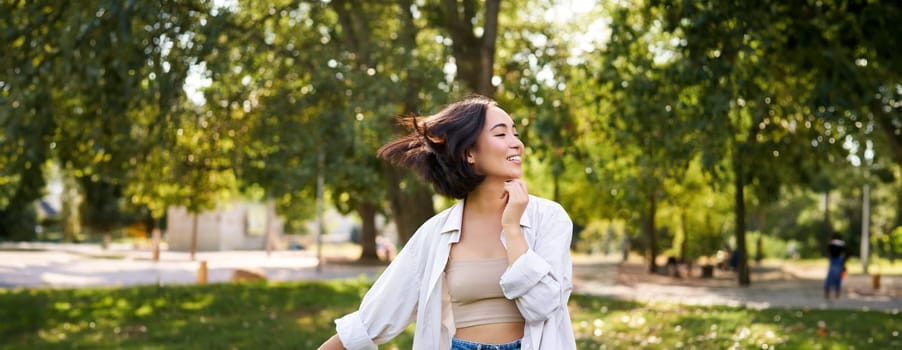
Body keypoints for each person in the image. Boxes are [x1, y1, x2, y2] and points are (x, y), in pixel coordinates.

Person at [317, 95, 576, 350]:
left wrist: (512, 229)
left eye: (516, 134)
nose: (516, 144)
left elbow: (543, 306)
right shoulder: (435, 234)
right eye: (501, 134)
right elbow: (376, 316)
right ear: (469, 153)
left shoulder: (550, 219)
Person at [824, 232, 846, 299]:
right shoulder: (842, 244)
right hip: (839, 262)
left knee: (829, 278)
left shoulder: (831, 243)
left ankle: (827, 294)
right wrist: (843, 265)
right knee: (838, 279)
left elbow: (828, 253)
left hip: (833, 261)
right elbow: (843, 254)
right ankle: (837, 294)